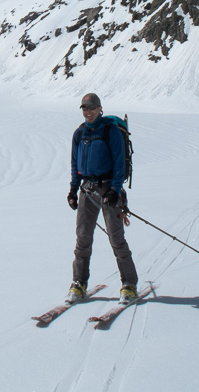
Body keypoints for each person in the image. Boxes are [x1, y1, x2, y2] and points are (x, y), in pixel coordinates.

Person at [66, 93, 138, 305]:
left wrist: (115, 190)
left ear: (100, 109)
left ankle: (129, 285)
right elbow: (74, 164)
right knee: (83, 238)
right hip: (86, 190)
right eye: (84, 108)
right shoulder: (79, 133)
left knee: (116, 238)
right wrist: (72, 190)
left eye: (91, 108)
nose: (87, 112)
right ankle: (78, 283)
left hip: (108, 189)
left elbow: (119, 163)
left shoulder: (110, 131)